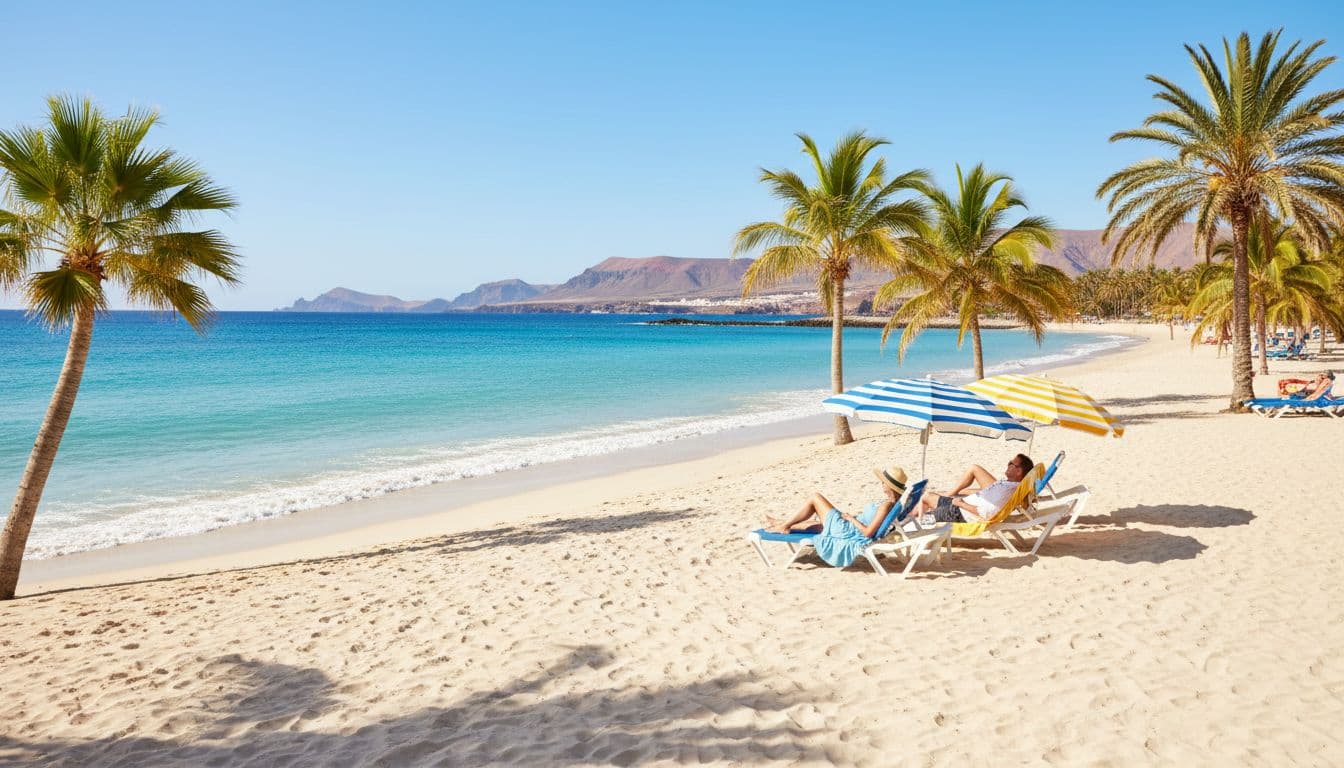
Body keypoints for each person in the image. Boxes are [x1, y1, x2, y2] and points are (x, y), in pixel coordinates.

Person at [763, 466, 909, 568]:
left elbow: (868, 533)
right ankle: (782, 523)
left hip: (848, 530)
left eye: (883, 482)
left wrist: (851, 519)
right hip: (850, 527)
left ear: (889, 486)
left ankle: (784, 526)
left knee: (815, 497)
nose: (881, 483)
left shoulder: (886, 506)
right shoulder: (891, 504)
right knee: (820, 525)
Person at [918, 454, 1035, 524]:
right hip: (961, 505)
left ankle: (912, 526)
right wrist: (962, 496)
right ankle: (911, 519)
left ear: (1018, 471)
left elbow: (986, 513)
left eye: (1011, 464)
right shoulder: (1008, 485)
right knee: (926, 496)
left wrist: (961, 504)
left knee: (923, 518)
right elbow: (987, 493)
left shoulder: (1006, 491)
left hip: (961, 513)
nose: (1008, 465)